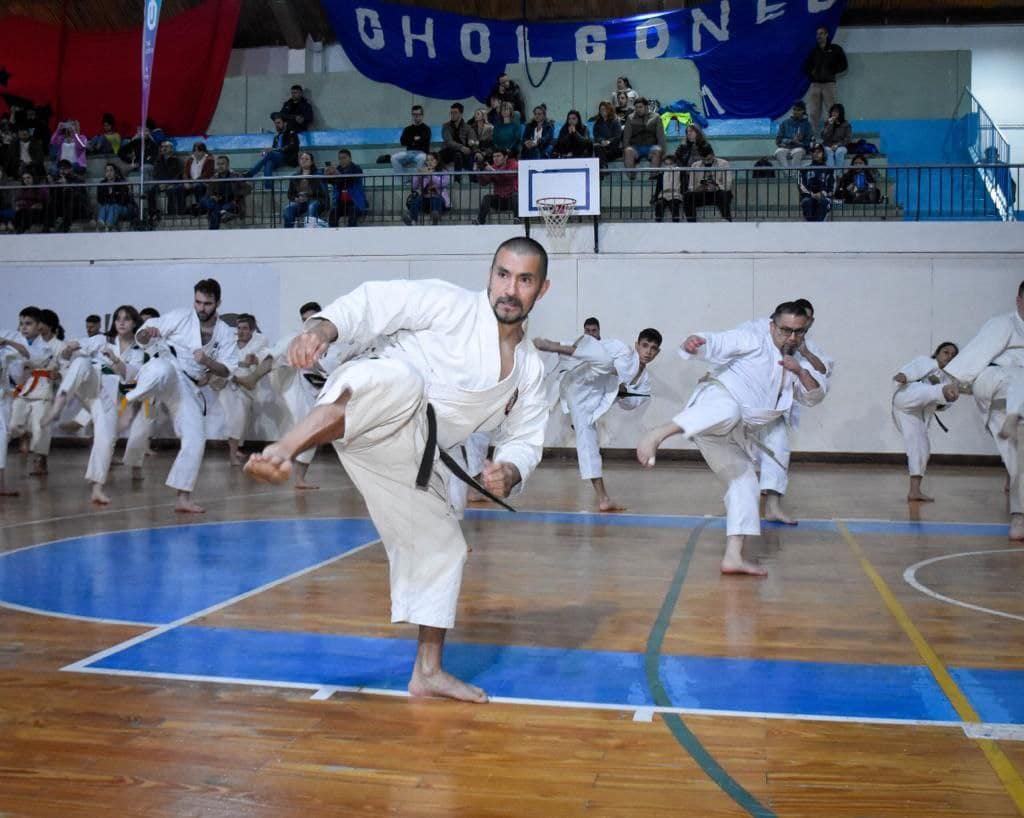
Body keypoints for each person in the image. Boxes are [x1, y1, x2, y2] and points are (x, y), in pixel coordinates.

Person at [245, 238, 552, 703]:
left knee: (445, 547)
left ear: (540, 290)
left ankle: (427, 672)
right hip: (376, 400)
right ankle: (285, 449)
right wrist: (321, 329)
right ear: (489, 276)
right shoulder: (451, 304)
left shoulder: (530, 369)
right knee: (399, 380)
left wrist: (509, 469)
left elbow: (527, 437)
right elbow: (376, 302)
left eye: (524, 280)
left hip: (411, 456)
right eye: (503, 275)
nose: (510, 289)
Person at [637, 302, 825, 575]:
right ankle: (658, 433)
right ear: (772, 326)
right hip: (715, 405)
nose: (792, 338)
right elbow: (720, 342)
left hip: (730, 433)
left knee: (746, 483)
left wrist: (800, 371)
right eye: (786, 330)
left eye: (799, 332)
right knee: (729, 409)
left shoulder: (797, 363)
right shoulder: (753, 338)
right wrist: (697, 343)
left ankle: (733, 557)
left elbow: (815, 396)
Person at [124, 279, 238, 513]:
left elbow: (227, 370)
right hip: (169, 367)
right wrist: (148, 333)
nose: (201, 308)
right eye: (198, 302)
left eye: (207, 303)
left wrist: (207, 362)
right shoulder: (180, 317)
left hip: (190, 386)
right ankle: (131, 398)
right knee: (160, 369)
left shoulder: (225, 333)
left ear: (218, 303)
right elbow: (144, 336)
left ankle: (183, 498)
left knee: (196, 438)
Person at [535, 326, 662, 512]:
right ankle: (555, 347)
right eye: (645, 346)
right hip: (580, 379)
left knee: (588, 442)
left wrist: (622, 394)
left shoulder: (643, 380)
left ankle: (604, 499)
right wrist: (560, 346)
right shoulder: (622, 349)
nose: (648, 352)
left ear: (657, 352)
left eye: (653, 348)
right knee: (604, 360)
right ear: (637, 345)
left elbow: (633, 403)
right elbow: (593, 349)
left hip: (587, 401)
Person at [939, 283, 1024, 538]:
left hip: (1010, 400)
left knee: (1017, 459)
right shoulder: (1003, 324)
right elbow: (976, 353)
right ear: (1018, 299)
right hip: (992, 379)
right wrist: (952, 383)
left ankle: (1018, 519)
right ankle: (1013, 414)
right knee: (1018, 375)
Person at [233, 301, 338, 491]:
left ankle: (300, 479)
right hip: (288, 379)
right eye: (305, 321)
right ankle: (253, 378)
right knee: (292, 342)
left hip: (310, 389)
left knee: (311, 428)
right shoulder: (298, 338)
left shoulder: (335, 348)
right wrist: (257, 361)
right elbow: (272, 352)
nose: (309, 325)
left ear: (322, 320)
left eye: (313, 320)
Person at [755, 298, 833, 524]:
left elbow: (821, 373)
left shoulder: (808, 348)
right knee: (742, 462)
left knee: (779, 451)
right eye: (789, 328)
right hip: (746, 408)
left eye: (804, 325)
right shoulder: (759, 336)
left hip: (775, 410)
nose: (796, 332)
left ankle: (773, 507)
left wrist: (802, 359)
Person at [893, 342, 960, 502]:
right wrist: (903, 376)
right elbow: (912, 369)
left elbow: (942, 407)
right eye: (946, 352)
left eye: (953, 355)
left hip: (918, 414)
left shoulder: (950, 378)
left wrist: (947, 399)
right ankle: (941, 391)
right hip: (907, 398)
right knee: (925, 390)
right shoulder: (927, 362)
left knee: (921, 448)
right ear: (937, 353)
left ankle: (914, 491)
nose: (949, 357)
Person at [8, 306, 59, 476]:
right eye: (21, 323)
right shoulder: (18, 343)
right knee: (13, 423)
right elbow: (14, 369)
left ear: (40, 326)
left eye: (28, 324)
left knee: (40, 427)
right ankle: (24, 435)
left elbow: (34, 359)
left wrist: (11, 344)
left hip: (42, 391)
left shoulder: (46, 347)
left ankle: (40, 459)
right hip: (23, 389)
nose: (23, 327)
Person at [215, 313, 268, 466]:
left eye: (245, 329)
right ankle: (232, 455)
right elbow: (222, 360)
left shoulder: (260, 342)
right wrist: (240, 365)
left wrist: (250, 362)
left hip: (246, 386)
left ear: (252, 330)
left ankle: (235, 447)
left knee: (242, 419)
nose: (241, 332)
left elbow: (260, 360)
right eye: (239, 328)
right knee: (234, 419)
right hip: (227, 384)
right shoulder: (230, 342)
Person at [0, 328, 30, 497]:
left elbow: (25, 354)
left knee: (2, 438)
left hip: (2, 400)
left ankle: (1, 484)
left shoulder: (6, 345)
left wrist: (7, 342)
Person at [803, 26, 848, 137]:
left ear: (827, 35)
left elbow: (844, 65)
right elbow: (806, 67)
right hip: (815, 85)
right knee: (813, 112)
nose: (819, 36)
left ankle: (833, 134)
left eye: (821, 33)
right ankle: (812, 136)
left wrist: (832, 71)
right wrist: (811, 76)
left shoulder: (835, 49)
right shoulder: (813, 52)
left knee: (832, 111)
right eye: (818, 34)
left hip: (829, 84)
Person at [247, 113, 300, 190]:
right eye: (275, 123)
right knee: (268, 163)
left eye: (278, 123)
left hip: (288, 157)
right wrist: (266, 152)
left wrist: (275, 150)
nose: (276, 125)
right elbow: (273, 149)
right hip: (278, 158)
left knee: (270, 154)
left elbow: (292, 146)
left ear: (285, 123)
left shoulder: (291, 133)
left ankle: (251, 173)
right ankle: (268, 189)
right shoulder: (276, 137)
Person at [683, 144, 733, 223]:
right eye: (704, 160)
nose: (706, 162)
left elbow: (728, 185)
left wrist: (716, 187)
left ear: (713, 155)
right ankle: (691, 223)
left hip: (718, 193)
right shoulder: (695, 165)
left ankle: (727, 220)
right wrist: (698, 188)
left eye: (709, 159)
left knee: (723, 194)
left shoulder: (723, 164)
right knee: (687, 196)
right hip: (702, 193)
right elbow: (691, 186)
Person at [282, 151, 328, 228]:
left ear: (312, 162)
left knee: (312, 206)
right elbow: (290, 194)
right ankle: (289, 232)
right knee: (288, 209)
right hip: (300, 202)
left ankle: (310, 232)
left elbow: (322, 193)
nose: (303, 160)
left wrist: (308, 198)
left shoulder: (318, 175)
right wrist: (296, 198)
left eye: (307, 159)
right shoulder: (295, 176)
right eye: (302, 159)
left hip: (315, 200)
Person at [402, 152, 449, 226]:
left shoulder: (443, 171)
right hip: (425, 199)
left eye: (432, 160)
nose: (429, 162)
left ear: (437, 161)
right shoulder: (424, 172)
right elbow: (414, 187)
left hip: (439, 198)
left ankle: (435, 218)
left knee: (435, 199)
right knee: (415, 201)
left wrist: (430, 174)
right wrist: (418, 175)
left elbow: (443, 183)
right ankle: (412, 221)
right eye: (427, 160)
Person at [622, 98, 666, 174]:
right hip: (635, 147)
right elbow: (626, 137)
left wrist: (663, 152)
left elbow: (661, 137)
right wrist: (624, 152)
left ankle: (653, 176)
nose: (638, 109)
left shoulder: (656, 117)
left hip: (651, 146)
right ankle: (631, 177)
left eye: (640, 107)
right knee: (628, 151)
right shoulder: (630, 118)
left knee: (657, 150)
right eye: (636, 107)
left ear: (646, 107)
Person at [474, 149, 518, 225]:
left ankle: (517, 219)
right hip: (499, 200)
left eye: (498, 156)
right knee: (486, 198)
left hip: (512, 199)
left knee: (516, 196)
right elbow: (484, 182)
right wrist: (478, 172)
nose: (495, 158)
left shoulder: (513, 163)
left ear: (505, 157)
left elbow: (508, 176)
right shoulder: (493, 167)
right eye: (494, 156)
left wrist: (492, 170)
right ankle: (480, 221)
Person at [325, 149, 366, 227]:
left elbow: (348, 180)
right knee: (333, 214)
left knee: (352, 215)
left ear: (350, 158)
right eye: (340, 158)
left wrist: (337, 174)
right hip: (340, 203)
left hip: (354, 202)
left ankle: (351, 237)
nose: (341, 160)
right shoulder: (338, 169)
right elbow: (333, 182)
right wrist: (327, 175)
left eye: (344, 158)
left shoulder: (356, 169)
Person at [798, 144, 835, 222]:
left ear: (823, 154)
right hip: (808, 196)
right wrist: (812, 195)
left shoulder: (829, 170)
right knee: (807, 202)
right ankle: (812, 228)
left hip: (825, 197)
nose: (816, 154)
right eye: (814, 152)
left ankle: (818, 228)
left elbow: (831, 186)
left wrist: (822, 194)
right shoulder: (805, 169)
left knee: (823, 202)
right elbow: (801, 185)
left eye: (819, 152)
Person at [391, 105, 431, 172]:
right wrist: (415, 139)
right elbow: (402, 142)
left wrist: (411, 140)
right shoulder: (407, 129)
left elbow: (423, 141)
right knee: (393, 158)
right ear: (412, 115)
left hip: (421, 153)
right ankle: (405, 180)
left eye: (418, 114)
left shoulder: (426, 129)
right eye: (414, 114)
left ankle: (417, 180)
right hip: (409, 153)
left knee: (423, 158)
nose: (416, 116)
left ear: (422, 115)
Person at [95, 162, 134, 231]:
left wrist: (113, 194)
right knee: (105, 206)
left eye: (111, 170)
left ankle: (108, 225)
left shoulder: (121, 182)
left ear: (115, 172)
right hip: (107, 208)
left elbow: (124, 200)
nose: (109, 173)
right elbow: (100, 199)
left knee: (114, 206)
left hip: (122, 208)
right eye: (107, 171)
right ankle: (101, 224)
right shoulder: (102, 183)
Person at [775, 101, 812, 169]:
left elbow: (808, 142)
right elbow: (778, 140)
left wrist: (800, 143)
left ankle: (793, 174)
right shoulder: (785, 123)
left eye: (798, 110)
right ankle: (790, 174)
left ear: (803, 111)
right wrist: (790, 141)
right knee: (778, 152)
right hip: (786, 147)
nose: (796, 112)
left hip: (799, 148)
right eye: (794, 109)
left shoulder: (807, 125)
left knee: (798, 152)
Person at [439, 103, 473, 175]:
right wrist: (461, 147)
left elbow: (472, 140)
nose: (452, 114)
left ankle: (472, 179)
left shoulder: (468, 127)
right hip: (448, 151)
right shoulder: (446, 126)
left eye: (455, 112)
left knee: (466, 154)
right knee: (438, 155)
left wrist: (471, 144)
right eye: (451, 113)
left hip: (462, 153)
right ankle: (456, 181)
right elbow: (448, 142)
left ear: (461, 114)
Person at [653, 155, 684, 222]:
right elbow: (658, 186)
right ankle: (658, 223)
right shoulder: (661, 173)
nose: (669, 166)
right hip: (663, 194)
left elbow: (683, 184)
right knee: (659, 204)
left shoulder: (680, 172)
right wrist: (655, 197)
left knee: (673, 204)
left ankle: (675, 223)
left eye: (670, 164)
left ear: (675, 163)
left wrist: (684, 195)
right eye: (666, 164)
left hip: (676, 194)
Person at [592, 101, 623, 168]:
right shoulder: (597, 123)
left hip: (613, 148)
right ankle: (604, 167)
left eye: (604, 109)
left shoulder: (615, 122)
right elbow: (596, 135)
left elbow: (617, 136)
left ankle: (603, 168)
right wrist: (601, 141)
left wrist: (608, 142)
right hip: (602, 148)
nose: (602, 111)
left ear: (609, 110)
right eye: (601, 110)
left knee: (600, 153)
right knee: (597, 147)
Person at [821, 103, 852, 168]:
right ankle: (831, 173)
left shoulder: (846, 124)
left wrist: (837, 145)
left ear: (840, 113)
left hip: (841, 146)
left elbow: (848, 139)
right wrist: (830, 125)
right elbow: (824, 137)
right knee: (828, 151)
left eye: (836, 112)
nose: (834, 113)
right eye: (833, 111)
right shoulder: (827, 123)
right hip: (828, 145)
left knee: (839, 152)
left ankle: (838, 173)